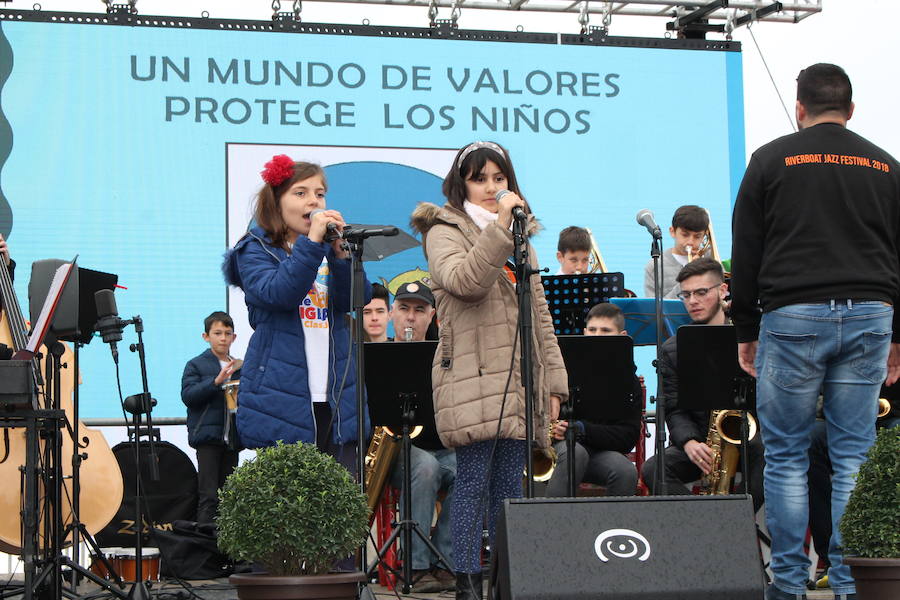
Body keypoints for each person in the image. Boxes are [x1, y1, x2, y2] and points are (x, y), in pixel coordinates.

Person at [731, 63, 900, 600]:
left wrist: (746, 326)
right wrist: (899, 335)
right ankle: (850, 584)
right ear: (850, 111)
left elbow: (748, 248)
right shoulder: (886, 166)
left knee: (785, 455)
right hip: (873, 314)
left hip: (793, 315)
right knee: (854, 453)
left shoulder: (770, 159)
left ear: (799, 109)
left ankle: (787, 584)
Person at [411, 140, 567, 600]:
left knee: (508, 490)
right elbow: (466, 283)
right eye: (480, 179)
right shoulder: (443, 231)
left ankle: (502, 580)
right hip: (472, 378)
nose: (491, 187)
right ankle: (466, 582)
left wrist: (555, 381)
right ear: (461, 184)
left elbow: (541, 316)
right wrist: (499, 230)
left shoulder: (523, 241)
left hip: (519, 379)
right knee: (473, 482)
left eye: (500, 179)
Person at [222, 154, 371, 471]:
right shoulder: (254, 250)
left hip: (336, 396)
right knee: (292, 505)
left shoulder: (329, 249)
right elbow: (280, 293)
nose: (313, 201)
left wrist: (343, 255)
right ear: (276, 201)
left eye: (319, 193)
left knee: (339, 502)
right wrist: (314, 244)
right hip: (282, 397)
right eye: (300, 193)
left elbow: (356, 300)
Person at [641, 258, 765, 512]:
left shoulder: (751, 339)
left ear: (722, 290)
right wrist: (689, 442)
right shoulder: (673, 348)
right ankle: (703, 519)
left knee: (769, 455)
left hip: (748, 440)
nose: (692, 301)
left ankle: (733, 518)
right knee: (654, 469)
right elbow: (674, 407)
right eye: (686, 295)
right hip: (700, 441)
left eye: (701, 292)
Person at [384, 281, 457, 593]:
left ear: (433, 315)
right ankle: (416, 566)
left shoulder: (447, 359)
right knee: (426, 467)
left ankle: (446, 562)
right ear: (392, 314)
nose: (410, 318)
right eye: (403, 309)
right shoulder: (378, 356)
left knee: (475, 468)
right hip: (396, 452)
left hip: (441, 448)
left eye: (419, 310)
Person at [545, 302, 641, 497]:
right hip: (563, 449)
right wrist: (557, 427)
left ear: (622, 337)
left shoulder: (629, 382)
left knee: (625, 471)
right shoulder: (564, 368)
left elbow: (627, 437)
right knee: (575, 454)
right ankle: (551, 525)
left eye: (605, 331)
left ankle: (613, 528)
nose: (597, 336)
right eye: (592, 330)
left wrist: (582, 429)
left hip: (599, 452)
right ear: (584, 332)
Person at [180, 311, 242, 524]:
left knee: (230, 497)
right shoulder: (196, 365)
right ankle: (205, 550)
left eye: (227, 333)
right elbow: (188, 396)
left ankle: (228, 551)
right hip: (207, 438)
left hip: (233, 439)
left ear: (234, 337)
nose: (223, 338)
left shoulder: (239, 366)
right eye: (217, 333)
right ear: (206, 336)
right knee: (209, 496)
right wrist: (215, 382)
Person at [642, 205, 709, 299]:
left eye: (697, 236)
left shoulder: (710, 259)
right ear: (672, 231)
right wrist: (687, 278)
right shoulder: (654, 266)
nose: (690, 241)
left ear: (704, 236)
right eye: (685, 235)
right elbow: (653, 309)